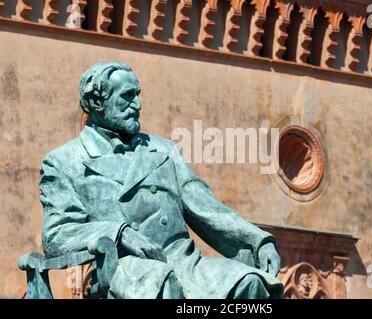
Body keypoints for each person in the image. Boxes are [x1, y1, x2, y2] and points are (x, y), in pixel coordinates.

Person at [40, 61, 284, 299]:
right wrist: (118, 232)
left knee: (250, 284)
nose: (137, 104)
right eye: (127, 96)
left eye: (137, 95)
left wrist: (258, 242)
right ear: (96, 102)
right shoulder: (64, 161)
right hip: (128, 270)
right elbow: (56, 235)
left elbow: (208, 208)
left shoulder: (164, 150)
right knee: (161, 285)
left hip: (186, 264)